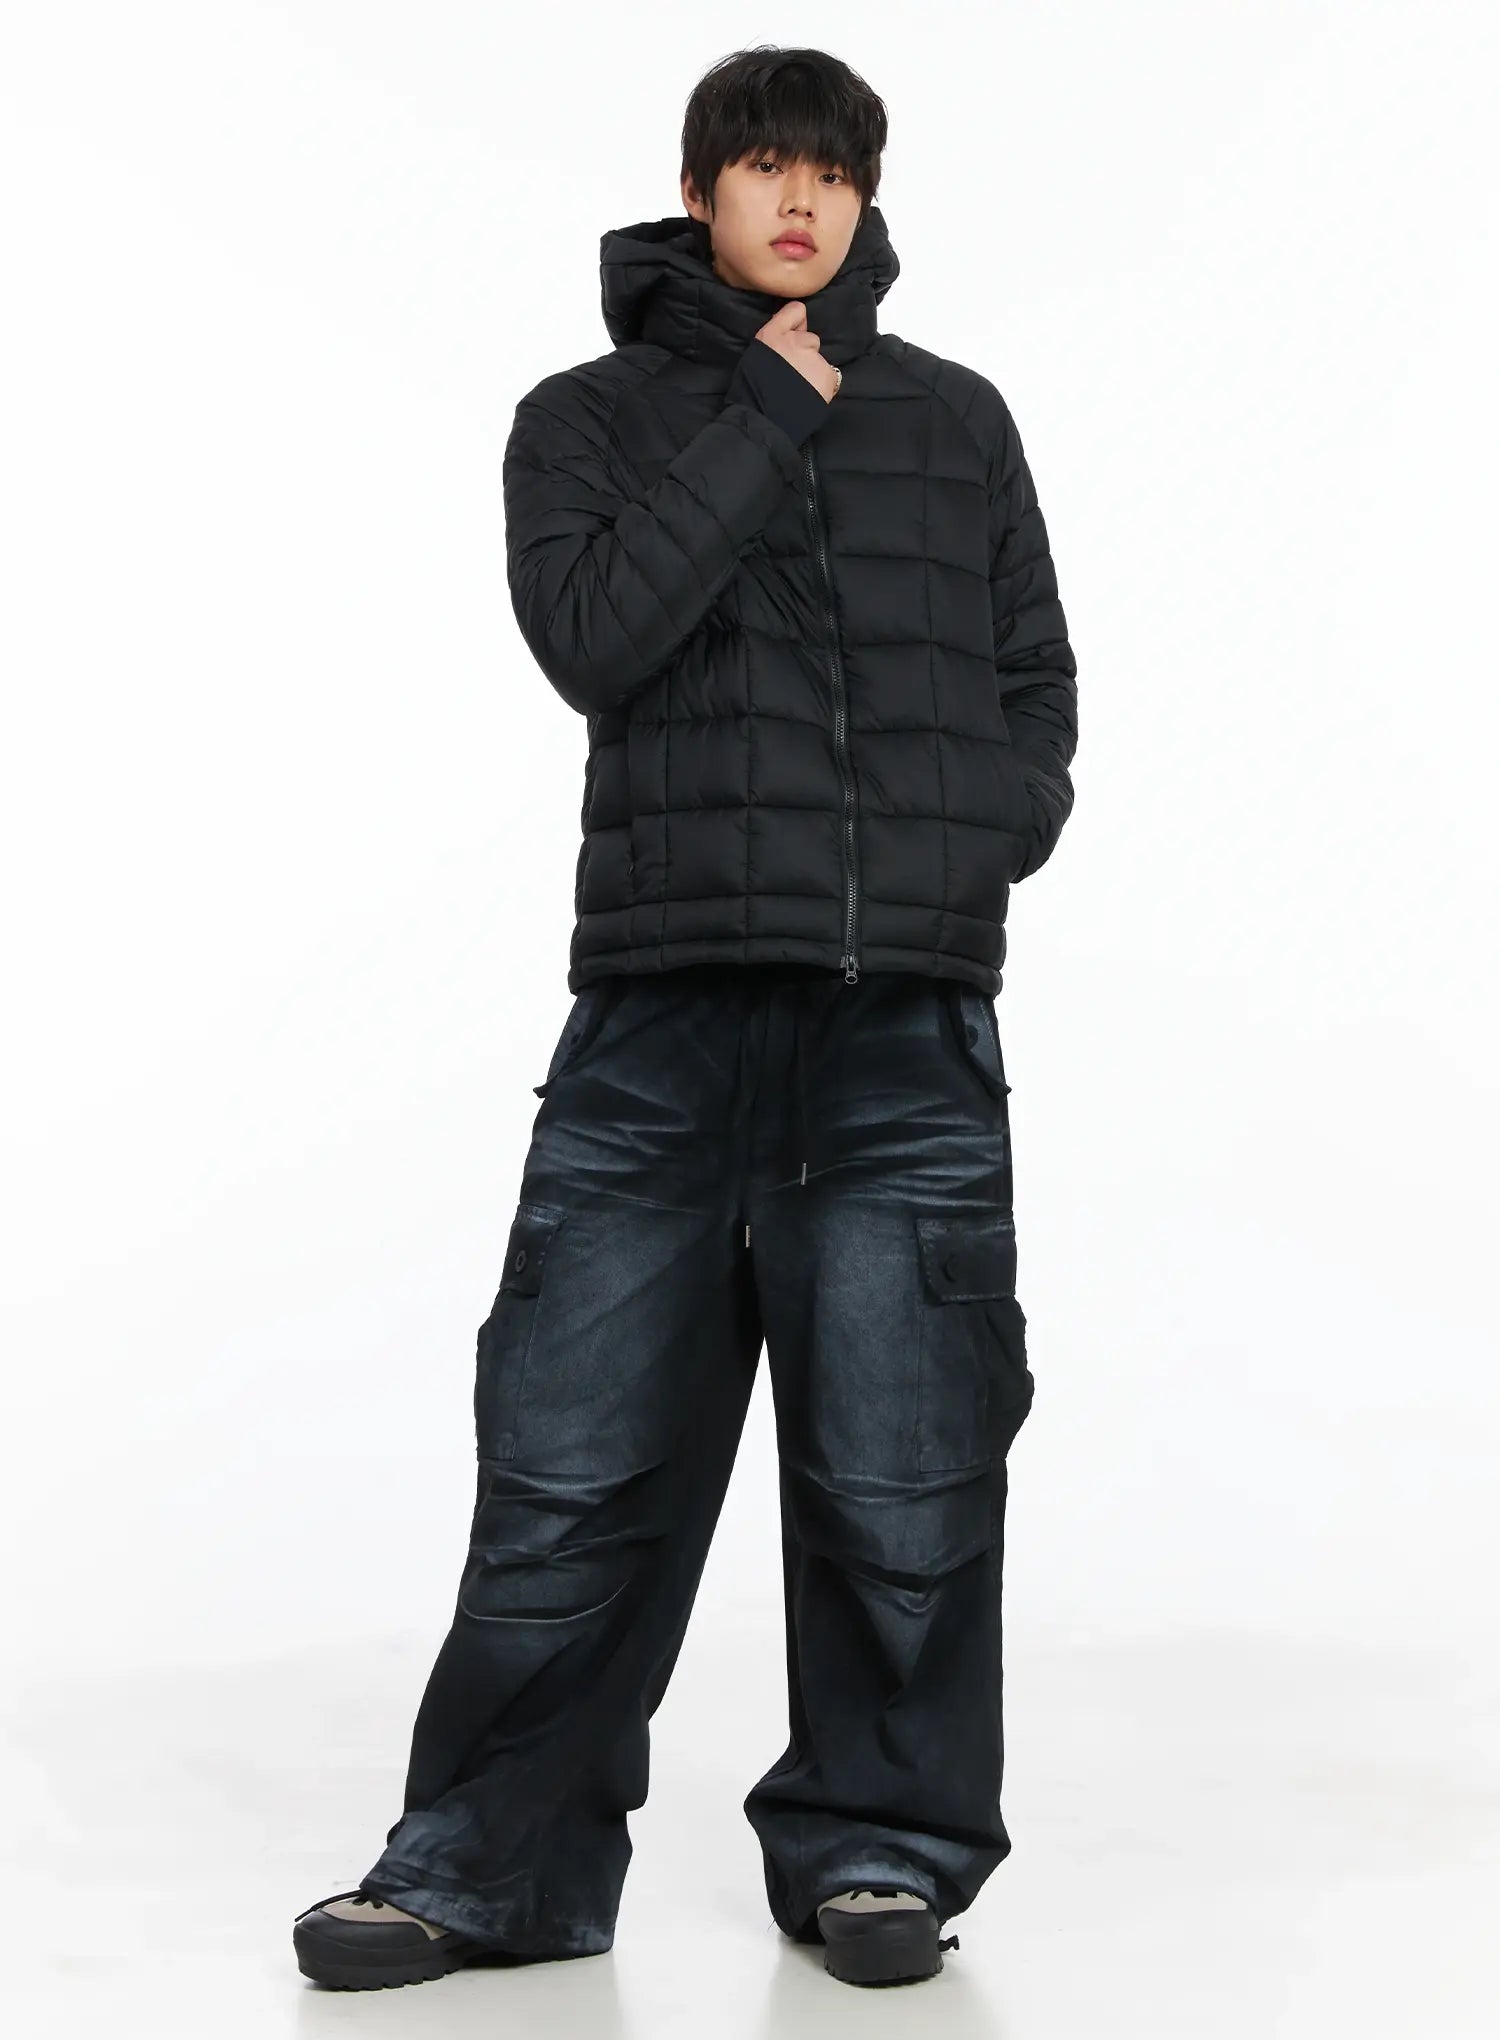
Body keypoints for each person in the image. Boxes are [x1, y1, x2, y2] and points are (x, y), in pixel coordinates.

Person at [292, 42, 1077, 1994]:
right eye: (765, 167)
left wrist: (965, 853)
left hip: (896, 1039)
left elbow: (1032, 685)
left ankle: (881, 1853)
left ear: (866, 197)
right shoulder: (585, 419)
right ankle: (487, 1871)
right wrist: (766, 409)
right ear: (700, 189)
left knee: (905, 1479)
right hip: (658, 1034)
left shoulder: (956, 420)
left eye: (833, 172)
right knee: (567, 1478)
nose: (801, 201)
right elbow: (594, 639)